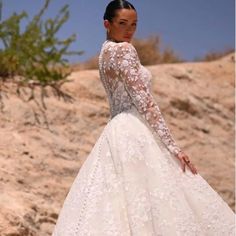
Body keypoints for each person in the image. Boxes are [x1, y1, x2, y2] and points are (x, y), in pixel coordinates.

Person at [52, 1, 235, 235]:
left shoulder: (104, 52)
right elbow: (144, 100)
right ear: (107, 24)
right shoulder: (124, 50)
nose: (130, 30)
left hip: (115, 130)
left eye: (134, 24)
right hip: (135, 129)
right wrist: (173, 147)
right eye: (123, 24)